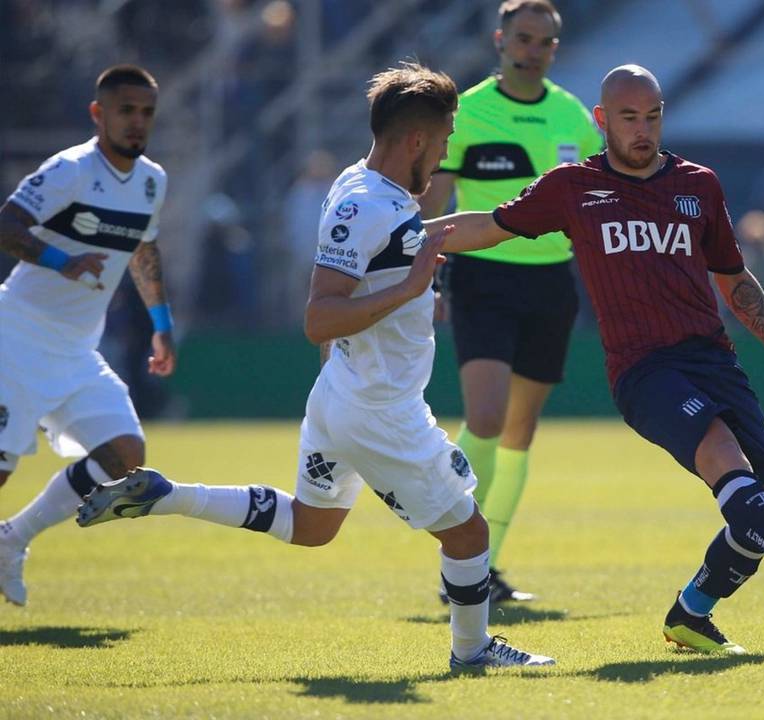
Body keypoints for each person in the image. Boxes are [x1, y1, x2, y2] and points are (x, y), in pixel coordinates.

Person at [76, 62, 554, 670]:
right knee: (470, 534)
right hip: (379, 407)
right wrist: (408, 292)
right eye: (442, 140)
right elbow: (318, 317)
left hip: (342, 395)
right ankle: (473, 651)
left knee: (312, 525)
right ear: (415, 140)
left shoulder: (364, 186)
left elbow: (418, 241)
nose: (445, 152)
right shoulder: (367, 204)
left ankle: (167, 495)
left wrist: (526, 219)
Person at [423, 64, 764, 654]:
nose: (643, 130)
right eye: (628, 118)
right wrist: (406, 234)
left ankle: (691, 615)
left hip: (714, 360)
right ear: (601, 121)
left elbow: (733, 277)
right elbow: (488, 226)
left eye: (653, 116)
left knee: (757, 502)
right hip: (644, 370)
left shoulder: (699, 185)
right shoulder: (572, 187)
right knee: (723, 455)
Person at [420, 0, 603, 603]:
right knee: (488, 417)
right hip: (483, 278)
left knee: (520, 430)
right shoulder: (468, 112)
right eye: (523, 38)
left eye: (545, 42)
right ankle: (454, 544)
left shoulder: (572, 115)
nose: (533, 50)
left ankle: (483, 570)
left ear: (556, 47)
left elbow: (591, 206)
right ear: (501, 40)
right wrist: (426, 275)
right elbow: (433, 205)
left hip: (552, 283)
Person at [0, 65, 176, 606]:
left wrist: (162, 325)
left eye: (146, 112)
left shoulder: (152, 180)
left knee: (125, 454)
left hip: (77, 350)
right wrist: (62, 259)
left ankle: (12, 539)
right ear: (98, 114)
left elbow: (143, 251)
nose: (137, 122)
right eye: (126, 110)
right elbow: (6, 223)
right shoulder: (70, 170)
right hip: (18, 336)